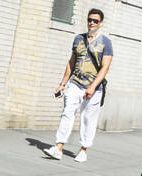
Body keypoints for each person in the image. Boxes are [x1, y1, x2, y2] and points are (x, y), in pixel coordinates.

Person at [45, 8, 113, 163]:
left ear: (100, 23)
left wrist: (93, 86)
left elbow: (105, 67)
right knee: (67, 112)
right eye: (90, 19)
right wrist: (62, 84)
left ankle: (83, 150)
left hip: (93, 88)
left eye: (95, 20)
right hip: (75, 83)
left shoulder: (105, 42)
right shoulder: (78, 39)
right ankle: (58, 147)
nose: (91, 23)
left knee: (87, 119)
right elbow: (71, 62)